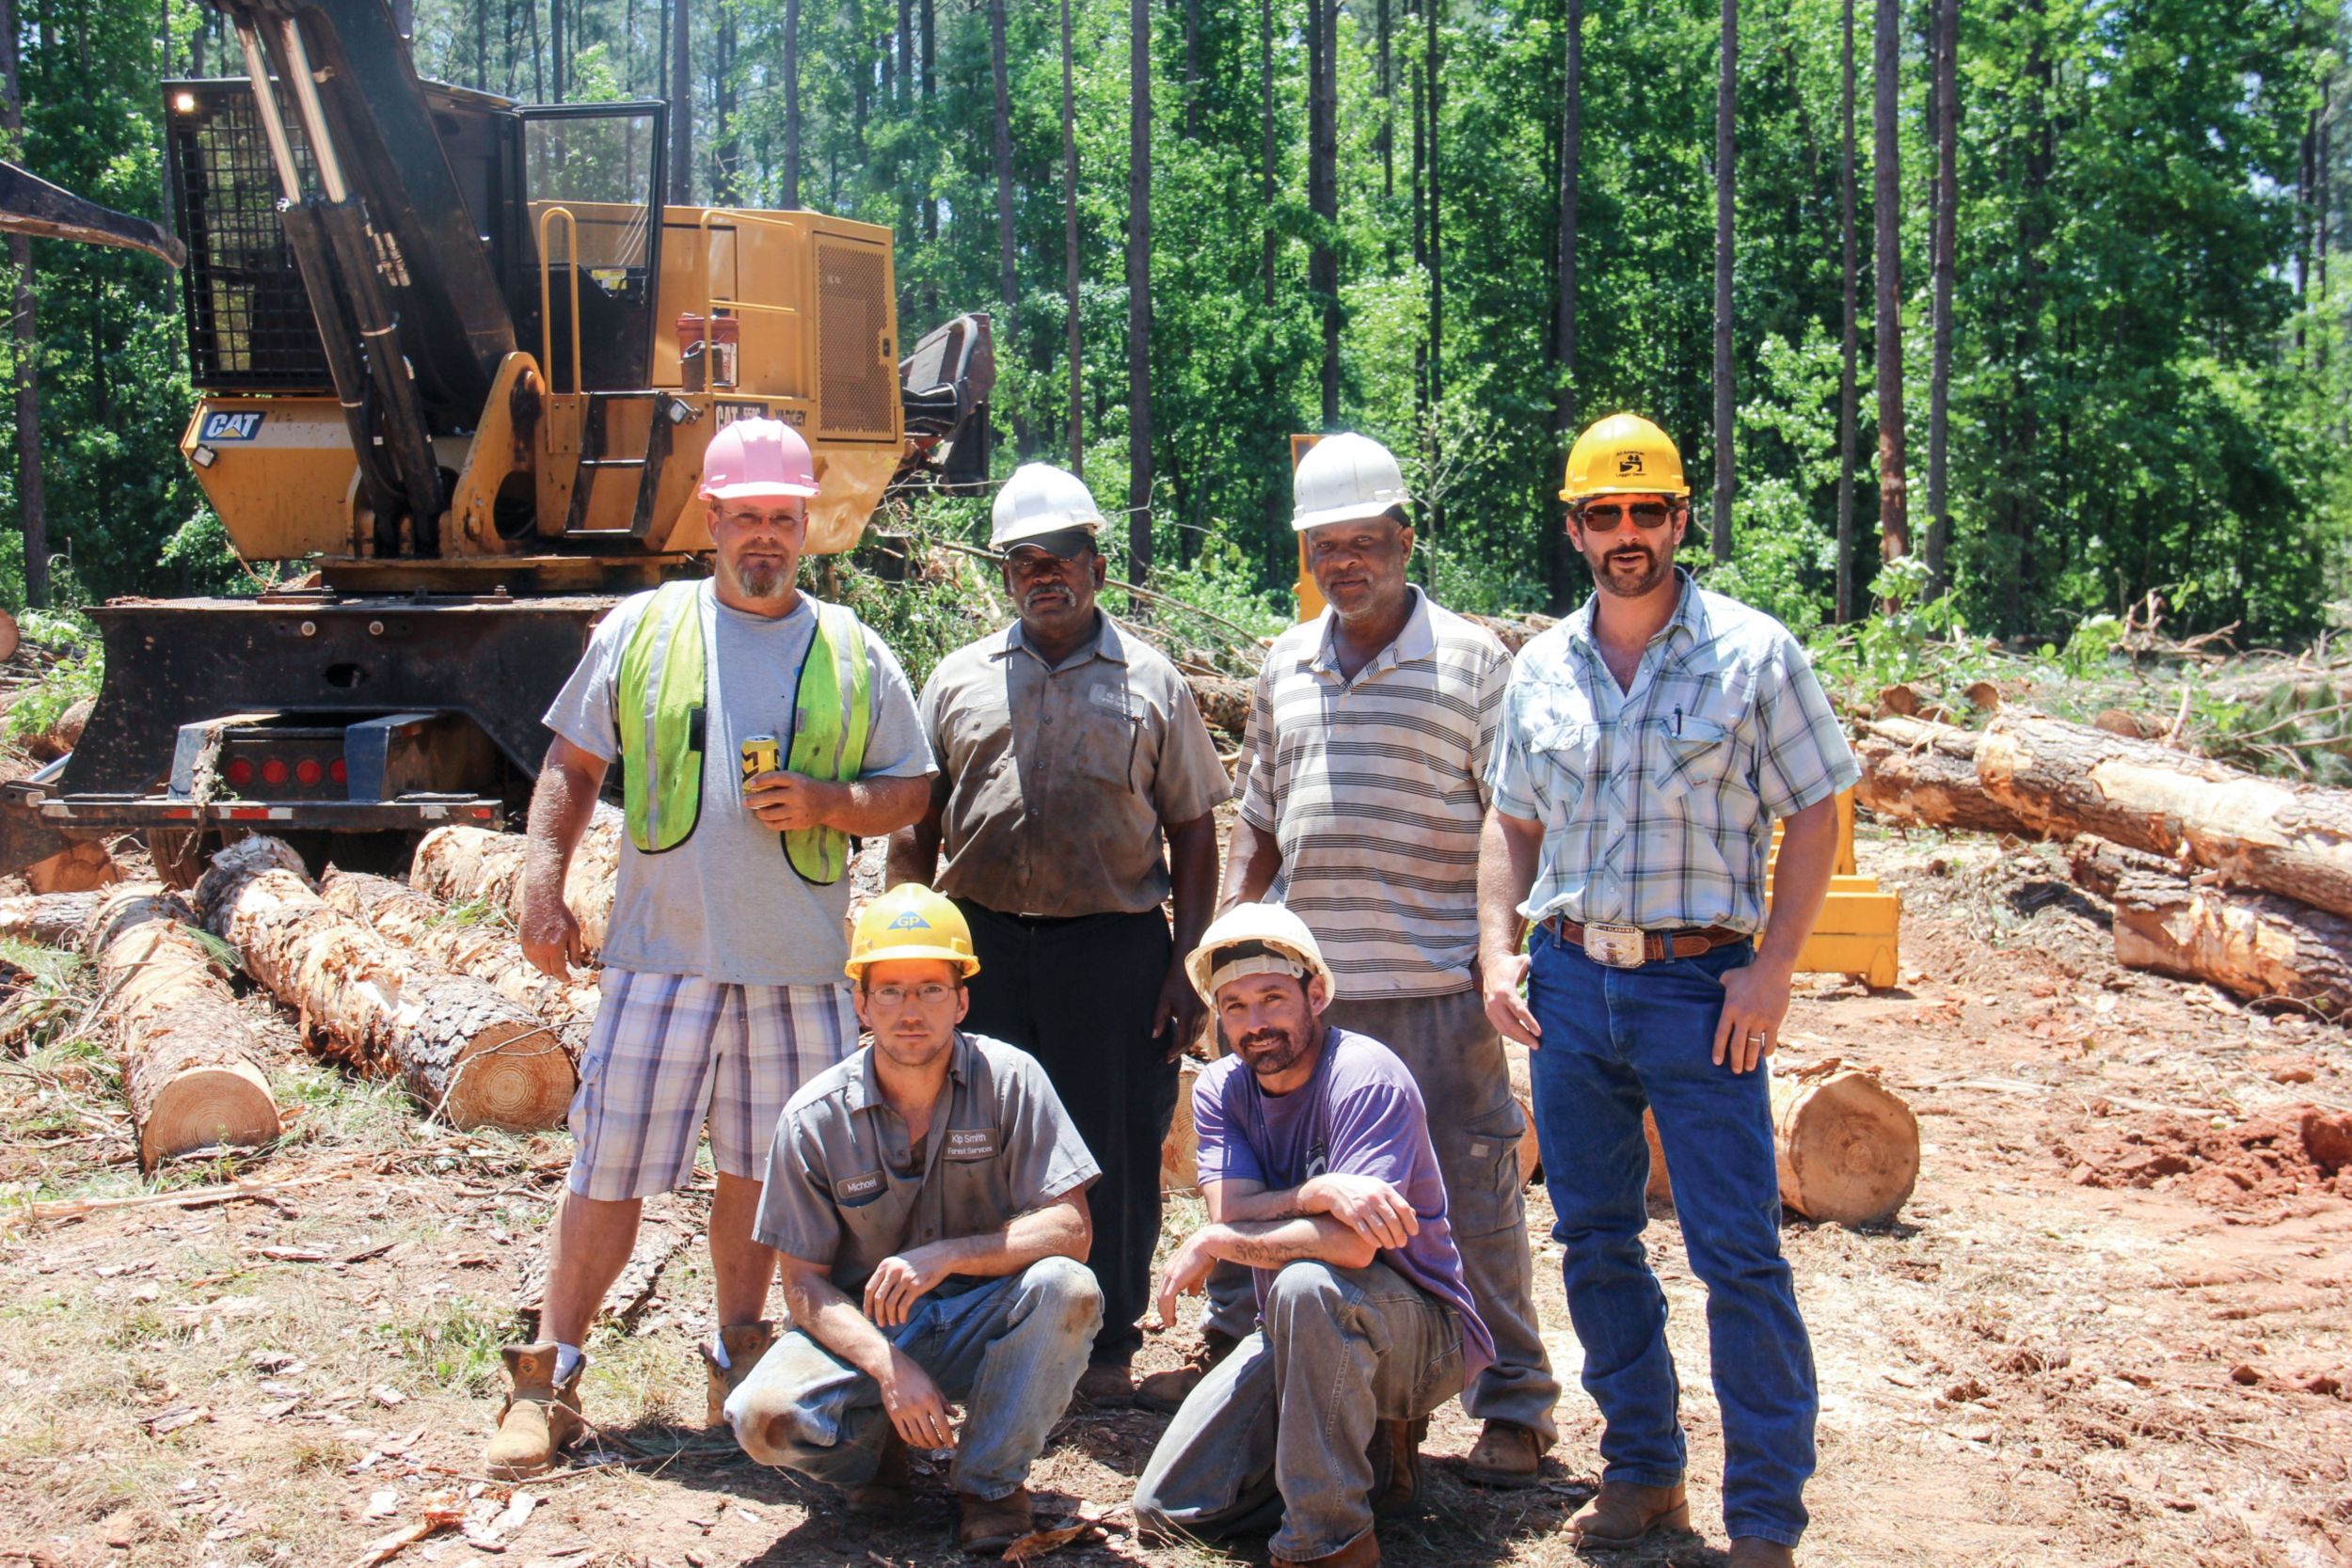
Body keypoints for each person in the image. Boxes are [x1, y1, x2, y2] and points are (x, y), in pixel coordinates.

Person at [485, 418, 934, 1479]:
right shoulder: (642, 629)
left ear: (806, 525)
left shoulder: (852, 649)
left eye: (784, 518)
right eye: (747, 518)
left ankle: (739, 1350)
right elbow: (573, 763)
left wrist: (833, 800)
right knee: (608, 1168)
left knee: (759, 1173)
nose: (766, 537)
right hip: (660, 958)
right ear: (713, 519)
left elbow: (911, 790)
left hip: (798, 967)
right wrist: (539, 878)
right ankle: (546, 1376)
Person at [1476, 413, 1858, 1568]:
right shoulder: (1542, 665)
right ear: (1576, 527)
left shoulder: (1753, 653)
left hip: (1704, 990)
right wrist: (1498, 947)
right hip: (1571, 985)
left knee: (1736, 1250)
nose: (1628, 533)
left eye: (1649, 511)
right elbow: (1511, 817)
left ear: (1681, 518)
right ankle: (1643, 1465)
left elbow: (1818, 806)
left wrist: (1775, 963)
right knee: (1593, 1237)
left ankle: (1764, 1518)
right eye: (1606, 513)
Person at [1155, 431, 1556, 1487]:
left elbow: (1507, 819)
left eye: (1364, 540)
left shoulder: (1473, 661)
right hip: (1304, 998)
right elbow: (1260, 820)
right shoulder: (1286, 660)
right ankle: (1265, 1368)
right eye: (1324, 544)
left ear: (1404, 539)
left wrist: (1491, 951)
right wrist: (1226, 941)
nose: (1345, 561)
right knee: (1283, 1187)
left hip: (1432, 985)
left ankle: (1510, 1399)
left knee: (1469, 1190)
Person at [887, 462, 1227, 1403]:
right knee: (973, 1139)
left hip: (1112, 950)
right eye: (1023, 562)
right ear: (1004, 576)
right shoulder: (955, 679)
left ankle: (1108, 1338)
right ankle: (980, 1323)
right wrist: (902, 954)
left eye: (1062, 558)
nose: (1044, 575)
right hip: (981, 949)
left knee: (1108, 1142)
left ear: (1098, 566)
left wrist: (1185, 967)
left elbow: (1195, 826)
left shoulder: (1153, 683)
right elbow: (920, 824)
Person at [723, 885, 1104, 1554]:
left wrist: (952, 1254)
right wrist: (887, 1366)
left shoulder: (1012, 1080)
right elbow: (804, 1285)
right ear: (861, 1002)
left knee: (1069, 1288)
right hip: (867, 1329)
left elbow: (1072, 1230)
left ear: (962, 998)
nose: (910, 1011)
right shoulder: (814, 1117)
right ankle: (874, 1459)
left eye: (931, 988)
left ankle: (989, 1483)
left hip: (988, 1314)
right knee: (762, 1420)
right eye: (891, 990)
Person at [1134, 903, 1490, 1568]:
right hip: (1293, 1330)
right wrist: (1317, 1193)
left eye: (1272, 998)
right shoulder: (1220, 1089)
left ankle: (1330, 1539)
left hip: (1419, 1331)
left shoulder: (1366, 1075)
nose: (1255, 1023)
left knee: (1307, 1282)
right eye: (1234, 1006)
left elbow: (1351, 1248)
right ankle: (1367, 1464)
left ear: (1316, 994)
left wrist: (1224, 1239)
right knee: (1167, 1508)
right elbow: (1230, 1213)